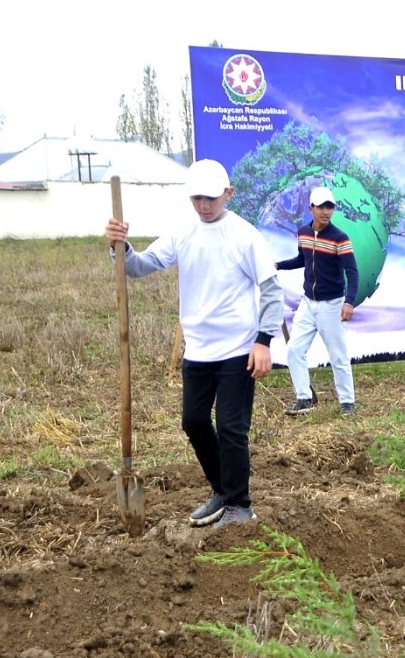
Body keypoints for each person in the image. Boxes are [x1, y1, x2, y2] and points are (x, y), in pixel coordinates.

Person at [104, 158, 282, 528]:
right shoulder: (182, 233)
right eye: (197, 198)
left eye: (212, 198)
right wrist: (120, 246)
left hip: (238, 350)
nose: (204, 206)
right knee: (194, 421)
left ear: (228, 194)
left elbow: (270, 290)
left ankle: (239, 505)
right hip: (198, 351)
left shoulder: (245, 235)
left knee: (233, 427)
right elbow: (139, 266)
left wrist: (263, 341)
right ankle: (222, 489)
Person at [275, 186, 360, 416]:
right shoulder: (303, 233)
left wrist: (349, 302)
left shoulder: (339, 238)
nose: (326, 211)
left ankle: (347, 403)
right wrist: (278, 265)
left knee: (338, 355)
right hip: (308, 302)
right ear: (311, 208)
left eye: (329, 207)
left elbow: (352, 272)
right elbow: (302, 259)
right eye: (321, 207)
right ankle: (305, 398)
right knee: (294, 350)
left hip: (332, 304)